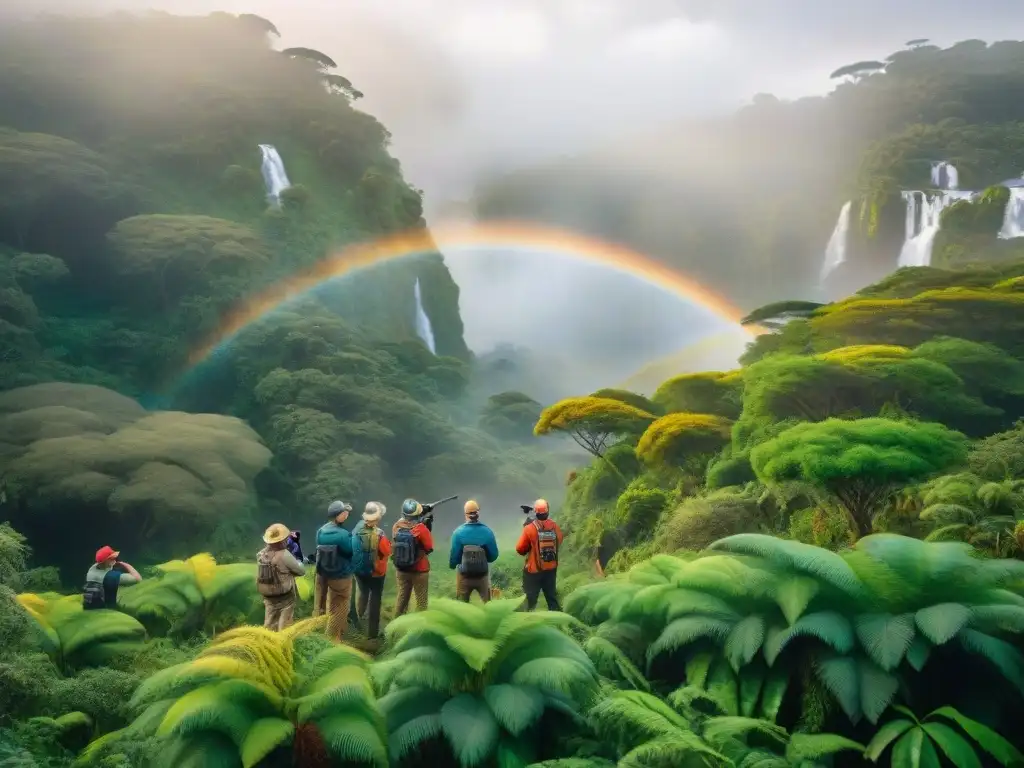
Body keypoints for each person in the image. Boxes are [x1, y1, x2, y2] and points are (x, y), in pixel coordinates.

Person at [351, 501, 392, 639]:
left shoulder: (356, 529)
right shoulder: (379, 534)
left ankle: (358, 623)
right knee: (375, 600)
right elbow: (386, 551)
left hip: (359, 571)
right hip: (376, 573)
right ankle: (372, 634)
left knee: (363, 594)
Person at [315, 500, 355, 642]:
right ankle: (332, 638)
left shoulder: (321, 531)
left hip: (325, 573)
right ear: (338, 515)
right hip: (341, 576)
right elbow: (351, 551)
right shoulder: (343, 534)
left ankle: (335, 633)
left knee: (330, 604)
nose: (346, 515)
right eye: (344, 513)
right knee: (341, 605)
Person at [515, 498, 564, 611]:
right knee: (552, 599)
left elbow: (520, 549)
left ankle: (527, 622)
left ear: (536, 512)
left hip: (533, 571)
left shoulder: (529, 528)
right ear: (547, 511)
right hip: (551, 568)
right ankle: (559, 622)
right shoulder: (554, 526)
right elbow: (559, 541)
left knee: (530, 601)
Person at [256, 523, 306, 630]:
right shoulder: (284, 555)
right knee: (285, 625)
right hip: (284, 596)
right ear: (282, 540)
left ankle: (267, 642)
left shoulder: (260, 555)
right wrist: (299, 561)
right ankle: (283, 643)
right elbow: (301, 571)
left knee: (269, 622)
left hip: (268, 596)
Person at [449, 499, 499, 603]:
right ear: (478, 513)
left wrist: (453, 565)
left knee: (462, 606)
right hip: (482, 576)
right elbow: (493, 556)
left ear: (465, 514)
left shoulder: (458, 533)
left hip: (464, 576)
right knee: (487, 605)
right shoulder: (487, 532)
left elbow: (455, 557)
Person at [391, 498, 434, 616]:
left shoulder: (396, 526)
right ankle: (419, 626)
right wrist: (427, 525)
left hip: (401, 569)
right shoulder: (421, 529)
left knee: (402, 598)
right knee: (421, 602)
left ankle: (396, 626)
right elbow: (429, 547)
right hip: (419, 570)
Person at [83, 546, 142, 610]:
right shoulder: (110, 577)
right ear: (106, 561)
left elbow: (105, 567)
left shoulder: (92, 569)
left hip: (89, 604)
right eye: (113, 558)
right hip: (105, 609)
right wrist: (124, 564)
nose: (115, 559)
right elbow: (138, 578)